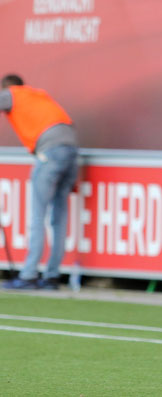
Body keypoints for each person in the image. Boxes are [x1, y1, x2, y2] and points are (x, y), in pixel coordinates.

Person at [0, 75, 79, 290]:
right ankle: (52, 277)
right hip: (71, 151)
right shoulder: (37, 95)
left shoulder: (12, 94)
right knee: (59, 217)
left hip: (50, 153)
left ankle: (28, 275)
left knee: (37, 215)